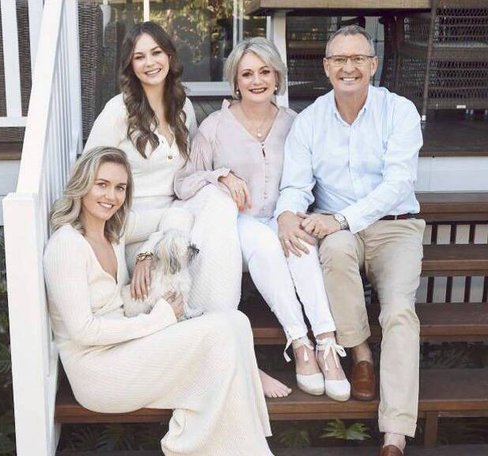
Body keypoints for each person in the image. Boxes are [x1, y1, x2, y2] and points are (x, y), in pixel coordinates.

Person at [44, 146, 273, 456]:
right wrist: (158, 319)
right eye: (102, 184)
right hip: (98, 372)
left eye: (120, 187)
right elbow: (84, 332)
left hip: (128, 349)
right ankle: (200, 447)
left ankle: (240, 447)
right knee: (219, 334)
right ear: (82, 185)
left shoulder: (113, 231)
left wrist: (147, 251)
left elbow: (176, 213)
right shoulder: (66, 245)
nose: (111, 196)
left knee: (236, 321)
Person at [275, 25, 425, 456]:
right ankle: (360, 355)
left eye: (358, 58)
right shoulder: (310, 121)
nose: (349, 67)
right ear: (326, 67)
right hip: (339, 233)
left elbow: (399, 184)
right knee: (335, 253)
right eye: (339, 59)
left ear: (373, 65)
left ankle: (394, 434)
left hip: (395, 225)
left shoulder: (399, 111)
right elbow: (296, 185)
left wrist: (341, 218)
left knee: (399, 312)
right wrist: (287, 214)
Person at [175, 37, 350, 401]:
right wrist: (221, 175)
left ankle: (326, 344)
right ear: (235, 82)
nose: (257, 80)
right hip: (237, 223)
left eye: (265, 72)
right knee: (268, 246)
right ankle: (299, 342)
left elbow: (314, 176)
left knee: (298, 245)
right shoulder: (215, 126)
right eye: (247, 73)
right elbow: (183, 182)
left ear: (277, 78)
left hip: (284, 215)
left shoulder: (295, 123)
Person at [84, 22, 241, 314]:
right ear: (130, 65)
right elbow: (89, 174)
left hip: (176, 222)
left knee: (220, 202)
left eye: (156, 52)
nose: (149, 63)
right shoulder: (119, 111)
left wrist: (224, 176)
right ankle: (191, 326)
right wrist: (147, 250)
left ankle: (219, 315)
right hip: (134, 226)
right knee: (168, 274)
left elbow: (193, 173)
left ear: (169, 55)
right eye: (139, 56)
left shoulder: (184, 109)